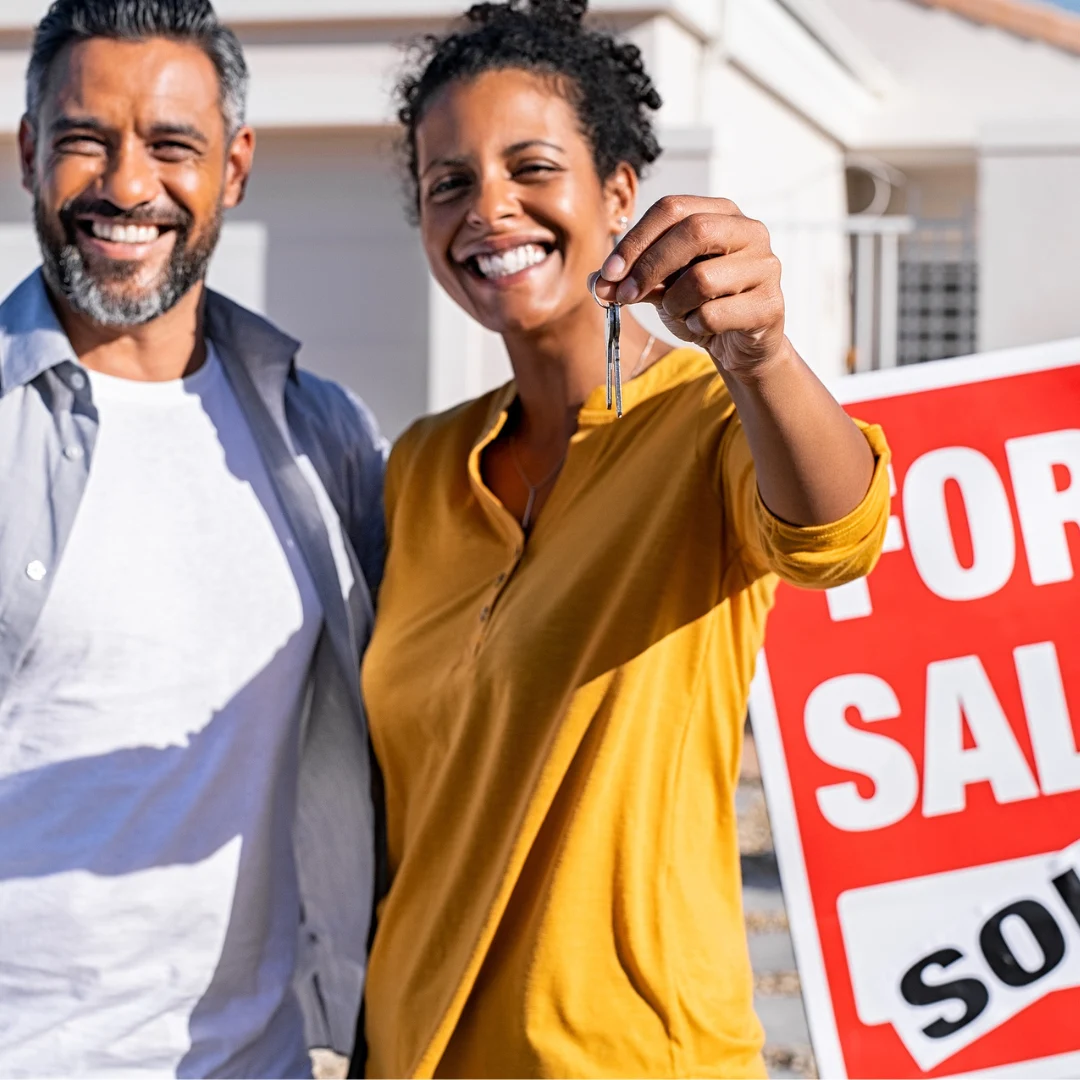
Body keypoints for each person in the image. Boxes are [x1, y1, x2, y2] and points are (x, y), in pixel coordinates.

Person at [356, 1, 892, 1077]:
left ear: (617, 194)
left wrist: (764, 355)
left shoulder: (707, 420)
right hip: (419, 1053)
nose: (489, 209)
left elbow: (837, 534)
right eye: (447, 182)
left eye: (530, 167)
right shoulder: (420, 468)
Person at [0, 1, 385, 1075]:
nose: (129, 188)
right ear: (31, 152)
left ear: (237, 167)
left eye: (173, 145)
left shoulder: (326, 437)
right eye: (86, 140)